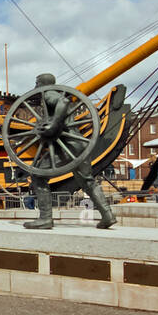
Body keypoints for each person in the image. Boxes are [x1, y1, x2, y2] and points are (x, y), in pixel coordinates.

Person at [22, 73, 115, 230]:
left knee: (38, 176)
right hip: (79, 144)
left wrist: (53, 124)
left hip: (67, 146)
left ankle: (45, 218)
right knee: (87, 181)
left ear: (41, 84)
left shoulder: (49, 94)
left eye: (37, 83)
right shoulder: (56, 94)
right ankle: (107, 215)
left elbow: (63, 101)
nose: (36, 86)